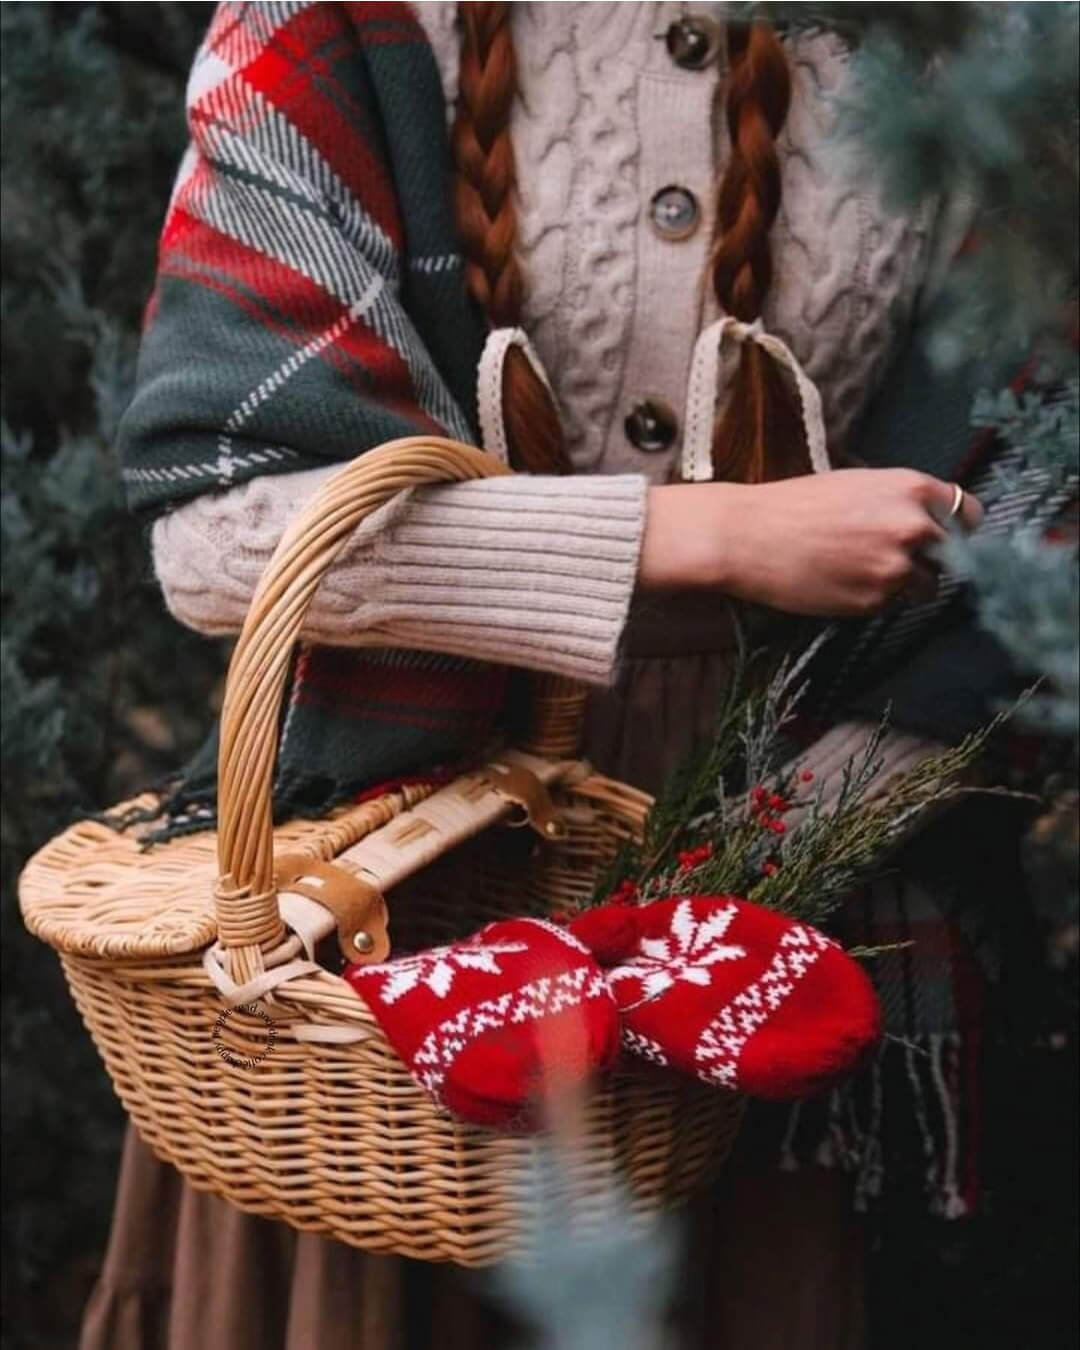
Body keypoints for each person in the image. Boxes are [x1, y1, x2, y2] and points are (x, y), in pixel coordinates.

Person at [80, 5, 1024, 1347]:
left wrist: (773, 861)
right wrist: (706, 535)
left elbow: (1037, 499)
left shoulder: (955, 38)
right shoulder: (342, 23)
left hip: (795, 843)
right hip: (398, 866)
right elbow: (222, 535)